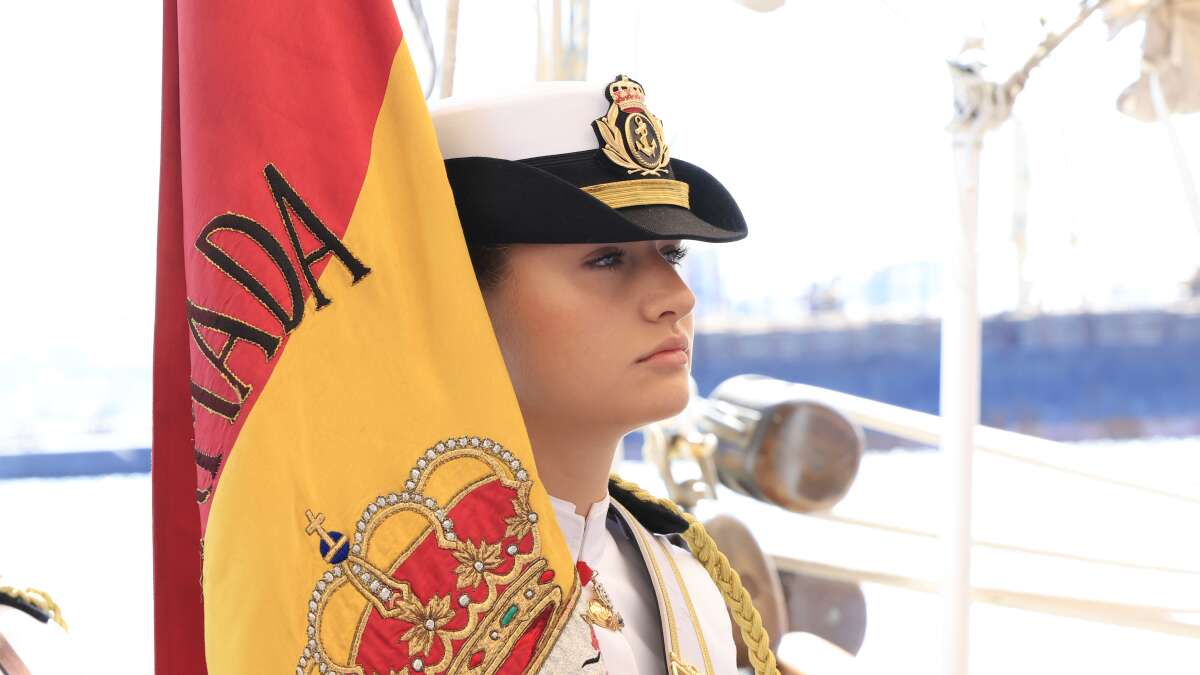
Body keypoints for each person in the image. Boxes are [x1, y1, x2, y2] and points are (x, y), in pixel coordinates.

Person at [431, 75, 777, 675]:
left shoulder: (689, 591)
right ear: (463, 300)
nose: (675, 298)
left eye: (671, 255)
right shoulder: (408, 619)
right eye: (607, 259)